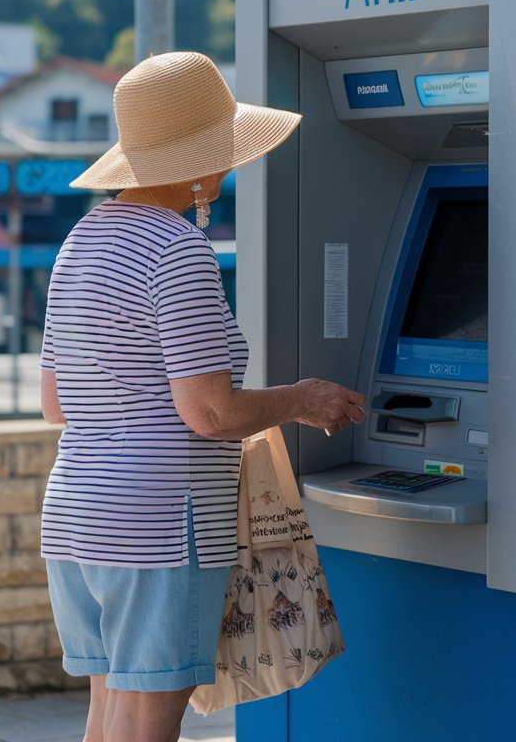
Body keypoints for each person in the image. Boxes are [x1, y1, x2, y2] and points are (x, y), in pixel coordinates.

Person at [39, 51, 366, 742]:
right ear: (197, 158)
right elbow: (210, 412)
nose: (228, 166)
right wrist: (302, 398)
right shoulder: (177, 249)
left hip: (77, 517)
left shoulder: (80, 241)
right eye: (223, 150)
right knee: (149, 721)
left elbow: (57, 404)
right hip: (160, 526)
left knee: (109, 716)